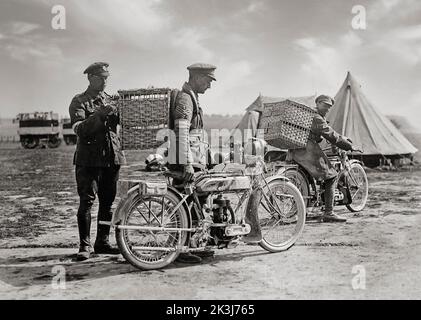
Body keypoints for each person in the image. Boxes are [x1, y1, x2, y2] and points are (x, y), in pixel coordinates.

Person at [69, 62, 126, 261]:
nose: (105, 81)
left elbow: (122, 124)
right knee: (87, 202)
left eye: (106, 77)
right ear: (90, 78)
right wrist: (100, 114)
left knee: (108, 203)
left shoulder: (110, 100)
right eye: (101, 77)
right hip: (89, 161)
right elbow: (79, 129)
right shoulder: (79, 101)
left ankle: (102, 242)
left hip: (112, 159)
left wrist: (122, 108)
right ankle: (84, 246)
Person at [167, 63, 217, 264]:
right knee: (184, 204)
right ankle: (181, 250)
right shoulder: (186, 99)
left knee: (197, 201)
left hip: (193, 159)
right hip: (185, 160)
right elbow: (182, 132)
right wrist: (187, 163)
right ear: (196, 78)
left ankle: (194, 243)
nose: (209, 86)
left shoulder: (190, 97)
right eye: (208, 80)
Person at [288, 94, 356, 222]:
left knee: (309, 177)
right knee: (331, 175)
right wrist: (348, 145)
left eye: (329, 107)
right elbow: (330, 134)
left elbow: (324, 132)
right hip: (307, 151)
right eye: (325, 105)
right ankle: (329, 212)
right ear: (318, 103)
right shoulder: (316, 118)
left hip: (295, 151)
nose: (327, 109)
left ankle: (305, 207)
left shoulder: (310, 116)